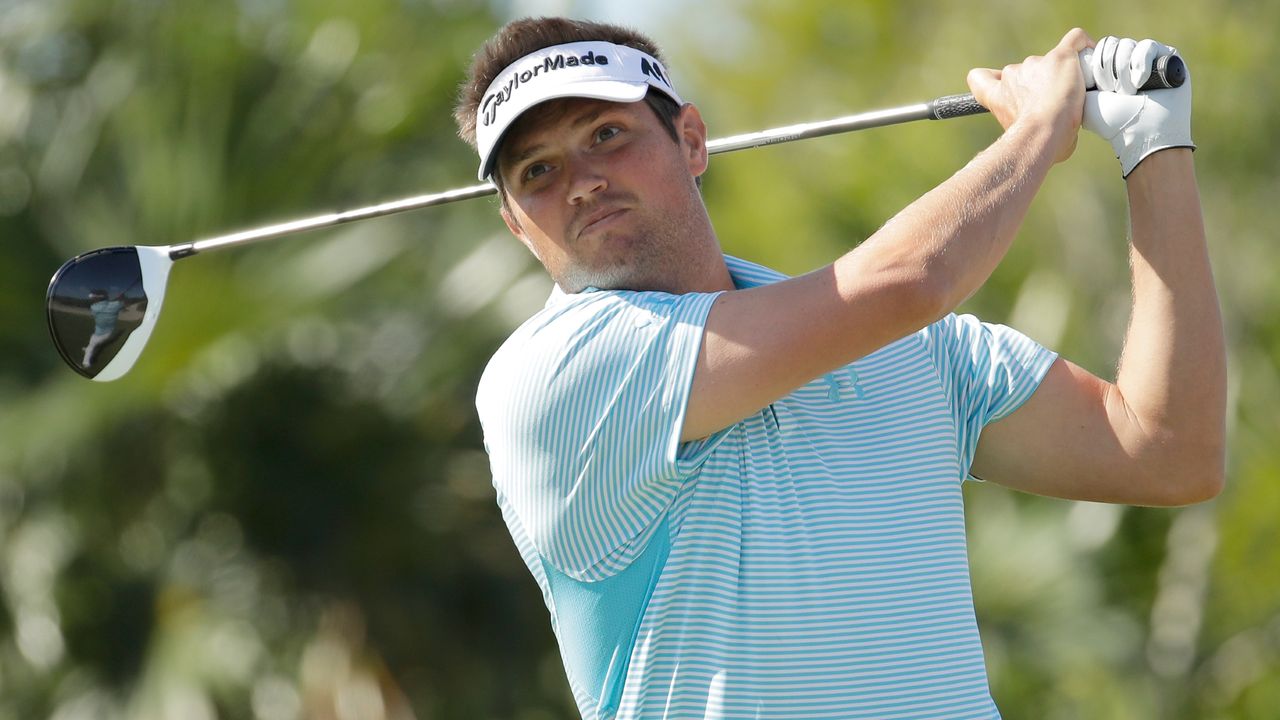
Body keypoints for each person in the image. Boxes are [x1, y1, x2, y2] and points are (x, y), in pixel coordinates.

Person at [455, 17, 1225, 719]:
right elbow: (907, 281)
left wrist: (1153, 147)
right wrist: (1040, 126)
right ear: (518, 226)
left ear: (691, 140)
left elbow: (1167, 452)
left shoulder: (916, 350)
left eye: (605, 134)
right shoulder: (547, 378)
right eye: (537, 173)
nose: (581, 181)